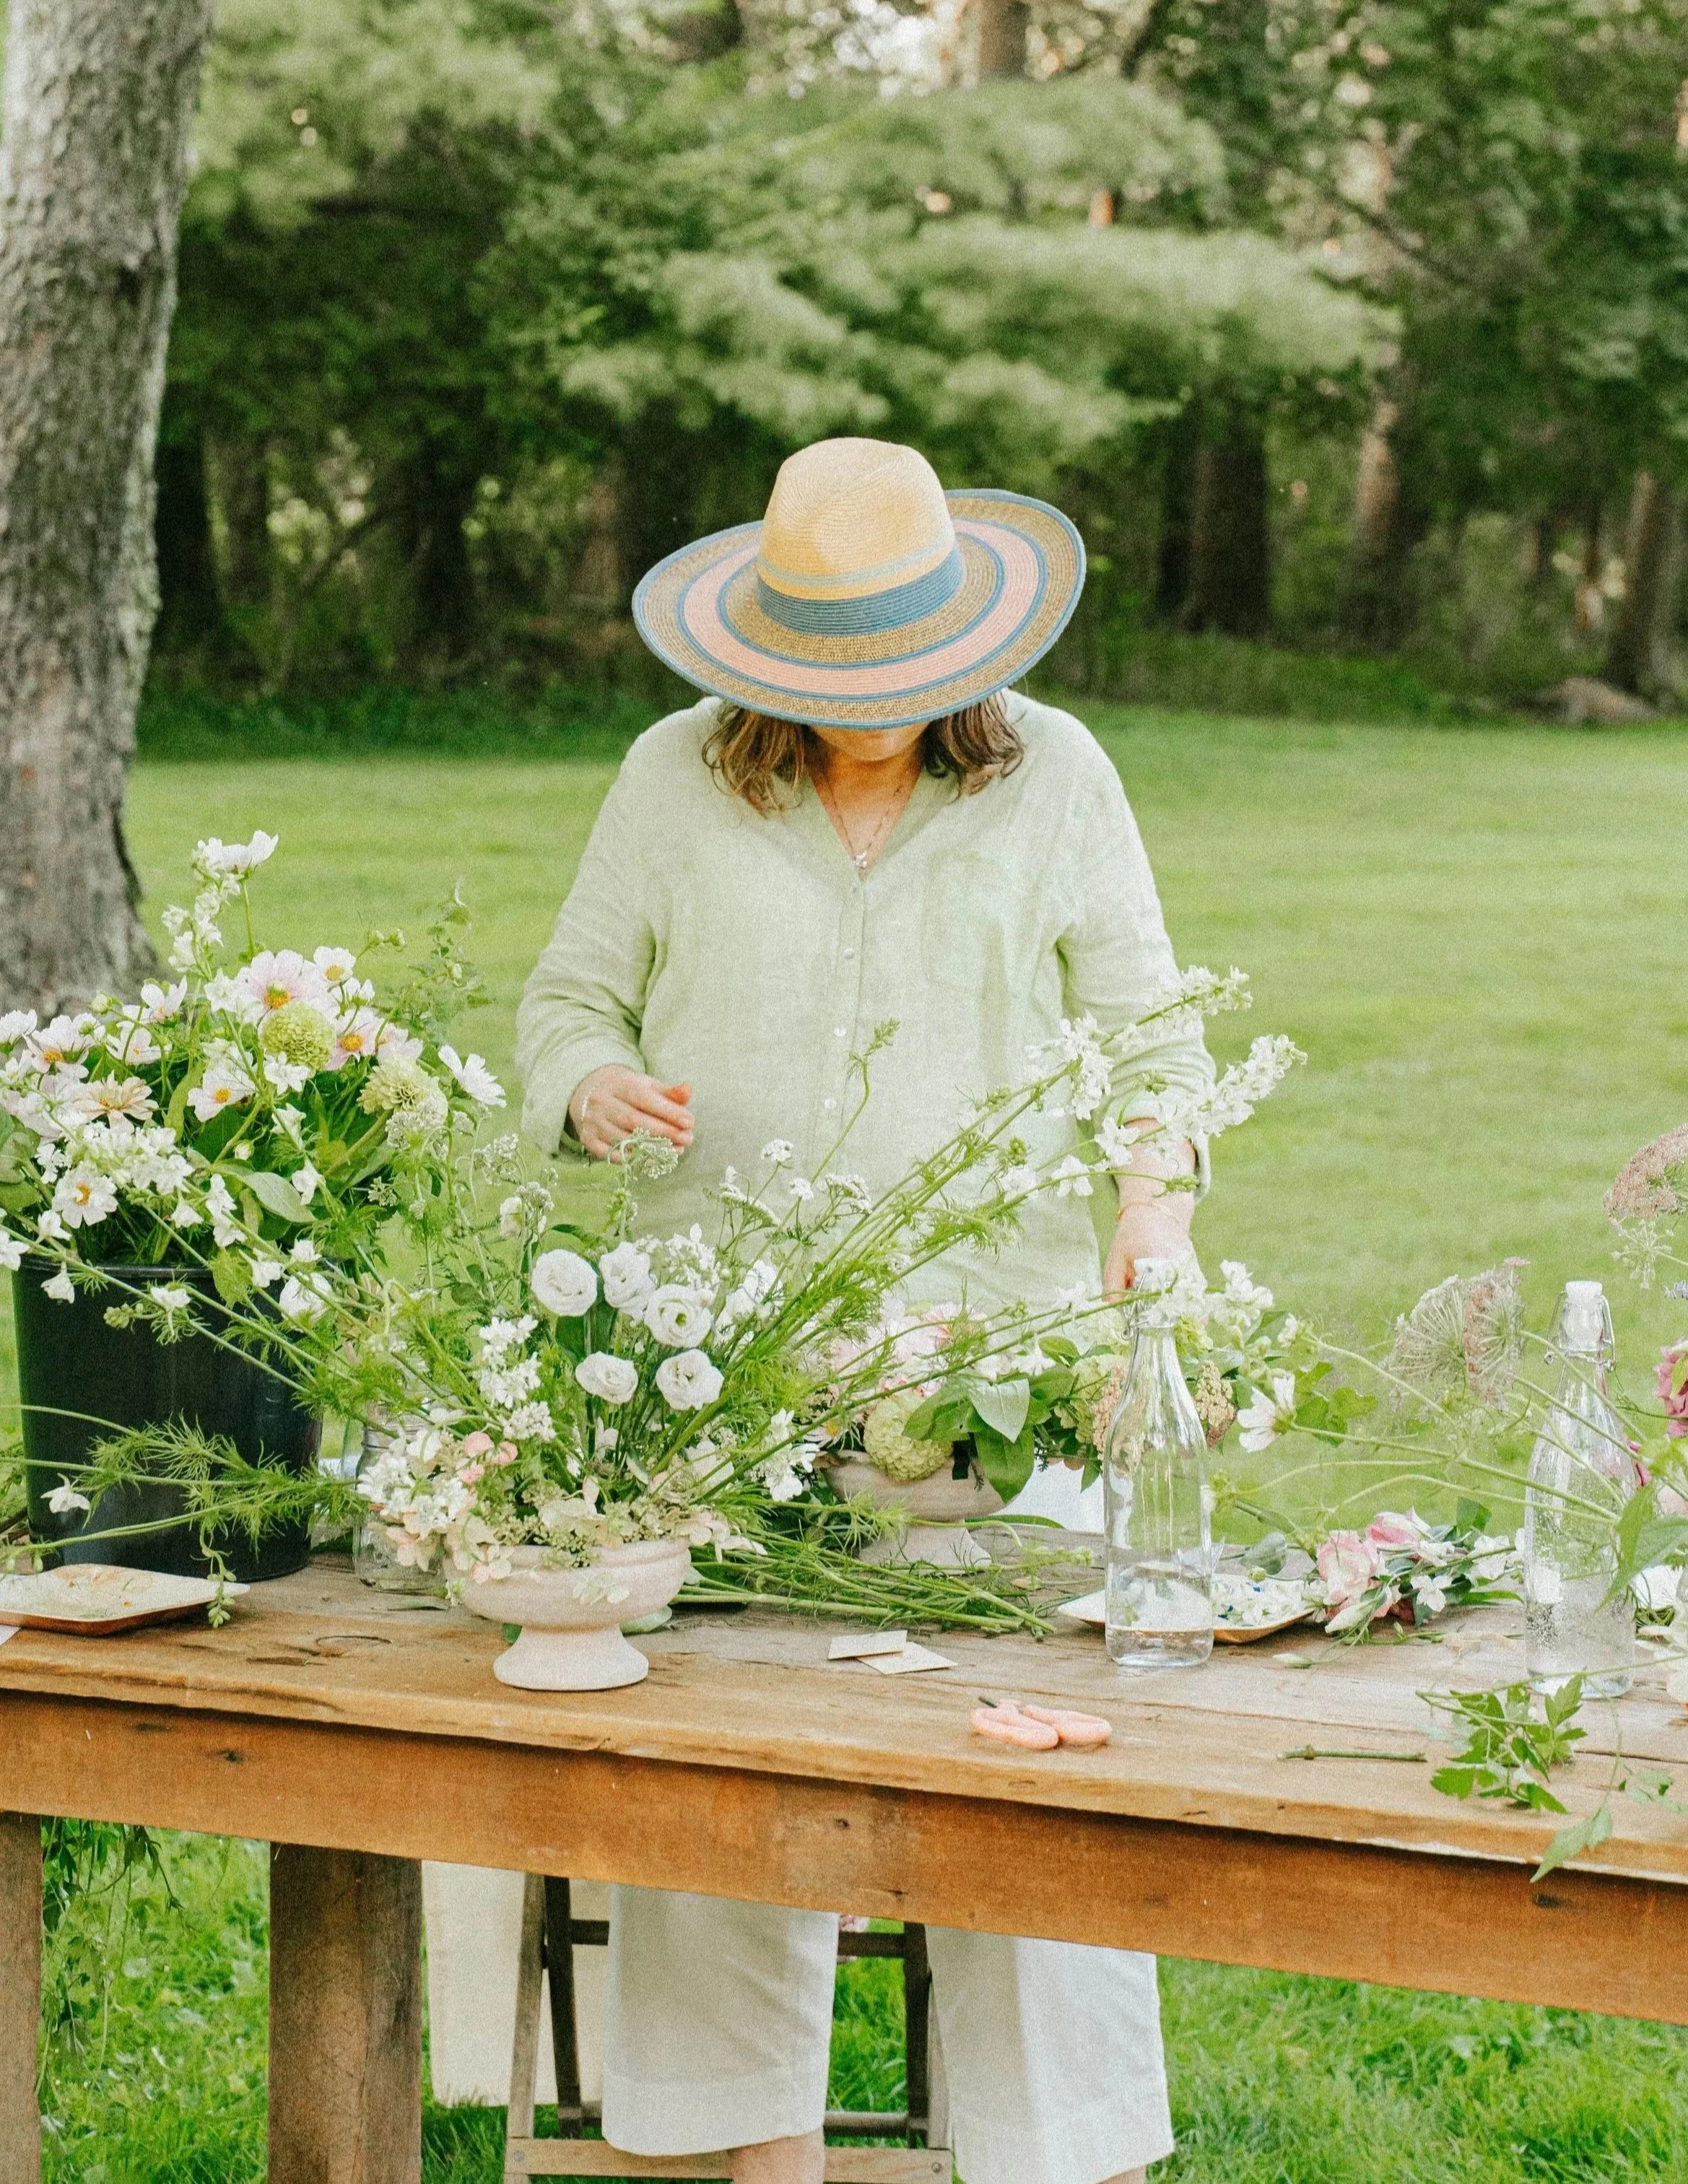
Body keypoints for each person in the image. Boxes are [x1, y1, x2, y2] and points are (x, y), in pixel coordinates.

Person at [441, 436, 1209, 2184]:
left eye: (902, 672)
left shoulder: (1060, 778)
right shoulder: (669, 777)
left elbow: (1149, 1035)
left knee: (1037, 1781)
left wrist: (1147, 1217)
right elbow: (563, 1002)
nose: (869, 709)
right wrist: (593, 1089)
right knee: (725, 1775)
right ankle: (752, 2156)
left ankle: (1053, 2155)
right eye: (830, 675)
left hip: (992, 1380)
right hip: (733, 1377)